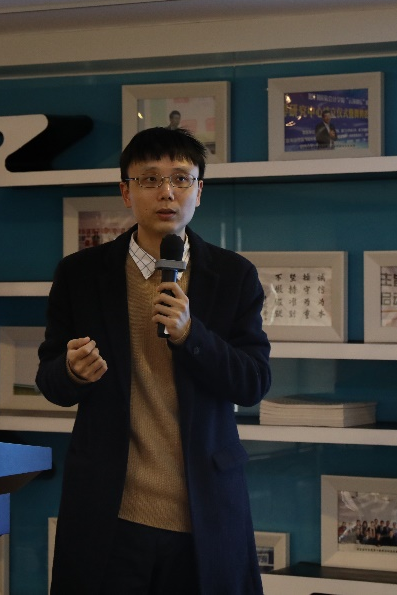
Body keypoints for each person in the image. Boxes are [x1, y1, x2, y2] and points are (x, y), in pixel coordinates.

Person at [36, 127, 272, 595]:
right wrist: (70, 371)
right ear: (126, 192)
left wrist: (191, 335)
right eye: (149, 179)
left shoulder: (233, 275)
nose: (167, 192)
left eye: (181, 179)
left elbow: (253, 382)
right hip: (110, 512)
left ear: (199, 191)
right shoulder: (80, 274)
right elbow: (50, 379)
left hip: (204, 511)